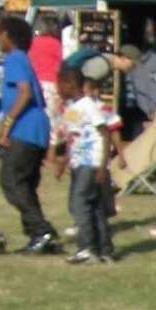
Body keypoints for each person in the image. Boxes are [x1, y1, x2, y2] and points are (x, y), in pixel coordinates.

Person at [0, 16, 60, 254]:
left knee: (11, 181)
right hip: (37, 128)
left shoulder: (15, 59)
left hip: (26, 129)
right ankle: (40, 237)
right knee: (26, 184)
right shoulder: (21, 59)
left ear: (9, 37)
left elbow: (25, 93)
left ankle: (42, 230)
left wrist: (7, 126)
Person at [51, 65, 124, 264]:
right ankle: (105, 249)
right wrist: (64, 162)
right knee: (95, 206)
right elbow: (73, 138)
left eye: (60, 85)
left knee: (79, 205)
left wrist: (103, 166)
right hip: (79, 163)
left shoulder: (88, 106)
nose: (58, 90)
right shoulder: (73, 109)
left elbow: (105, 133)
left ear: (70, 84)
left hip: (90, 164)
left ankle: (87, 248)